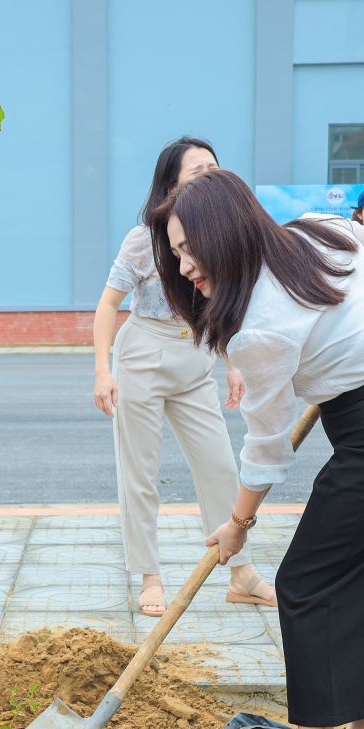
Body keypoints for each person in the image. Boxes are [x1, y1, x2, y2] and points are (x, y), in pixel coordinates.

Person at [151, 170, 364, 729]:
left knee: (307, 582)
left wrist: (238, 524)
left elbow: (266, 445)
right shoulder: (321, 233)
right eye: (174, 253)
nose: (183, 267)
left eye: (189, 249)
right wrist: (360, 320)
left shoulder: (259, 326)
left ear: (226, 233)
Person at [92, 137, 279, 617]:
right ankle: (149, 575)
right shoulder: (145, 240)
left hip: (195, 357)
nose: (209, 175)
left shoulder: (217, 237)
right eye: (198, 171)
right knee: (140, 472)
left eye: (214, 167)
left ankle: (241, 573)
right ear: (171, 184)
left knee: (221, 466)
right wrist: (102, 370)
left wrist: (231, 363)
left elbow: (219, 306)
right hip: (143, 354)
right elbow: (108, 305)